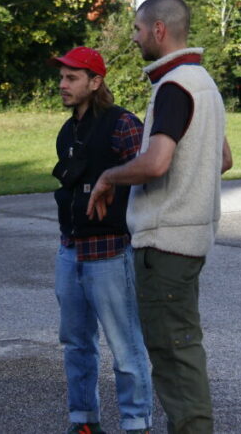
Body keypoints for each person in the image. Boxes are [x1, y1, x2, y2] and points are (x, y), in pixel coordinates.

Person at [88, 0, 233, 434]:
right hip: (191, 238)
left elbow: (155, 163)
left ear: (158, 31)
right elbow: (222, 159)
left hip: (166, 242)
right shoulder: (204, 83)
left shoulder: (174, 87)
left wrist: (110, 177)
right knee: (182, 349)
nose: (133, 38)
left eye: (136, 29)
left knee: (173, 355)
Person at [50, 46, 153, 434]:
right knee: (76, 344)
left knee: (125, 347)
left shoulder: (122, 123)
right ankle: (84, 422)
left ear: (95, 82)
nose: (63, 84)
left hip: (110, 252)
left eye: (72, 77)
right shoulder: (67, 130)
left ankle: (136, 422)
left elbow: (151, 170)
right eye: (61, 77)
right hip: (70, 250)